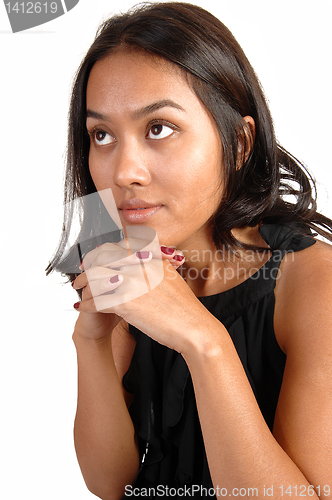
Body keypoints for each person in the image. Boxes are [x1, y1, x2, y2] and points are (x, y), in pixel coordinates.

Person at [46, 2, 332, 499]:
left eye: (158, 128)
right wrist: (91, 341)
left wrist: (204, 342)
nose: (123, 172)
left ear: (239, 142)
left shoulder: (314, 284)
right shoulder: (133, 260)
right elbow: (111, 484)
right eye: (102, 135)